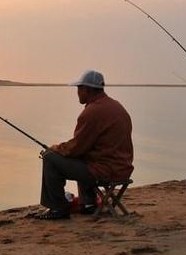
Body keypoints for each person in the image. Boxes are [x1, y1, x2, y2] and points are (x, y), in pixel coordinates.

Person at [35, 70, 134, 220]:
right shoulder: (116, 106)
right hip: (123, 168)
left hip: (106, 171)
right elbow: (84, 146)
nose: (78, 92)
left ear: (88, 90)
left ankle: (58, 208)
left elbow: (76, 148)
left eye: (79, 89)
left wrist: (54, 148)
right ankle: (88, 204)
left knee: (49, 157)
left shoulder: (92, 112)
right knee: (83, 157)